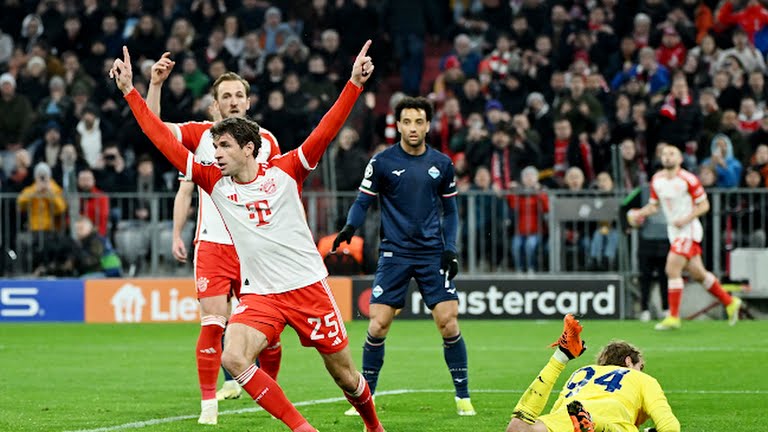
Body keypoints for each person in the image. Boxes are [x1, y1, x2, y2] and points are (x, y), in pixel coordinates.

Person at [111, 42, 384, 432]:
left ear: (249, 148)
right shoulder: (213, 181)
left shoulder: (288, 170)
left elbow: (326, 128)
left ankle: (374, 426)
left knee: (344, 375)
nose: (216, 154)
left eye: (224, 147)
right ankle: (302, 428)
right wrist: (129, 91)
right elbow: (160, 137)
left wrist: (354, 84)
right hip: (262, 295)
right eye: (215, 146)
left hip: (307, 287)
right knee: (234, 357)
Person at [146, 54, 283, 424]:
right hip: (213, 245)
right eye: (226, 96)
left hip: (255, 248)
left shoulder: (268, 142)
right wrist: (155, 85)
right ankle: (209, 405)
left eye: (239, 95)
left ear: (248, 102)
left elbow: (280, 192)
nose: (233, 101)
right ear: (216, 103)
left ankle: (268, 395)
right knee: (213, 323)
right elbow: (154, 126)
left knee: (270, 333)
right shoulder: (201, 136)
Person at [333, 96, 476, 417]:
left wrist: (450, 249)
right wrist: (350, 227)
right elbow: (362, 201)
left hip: (432, 254)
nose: (413, 128)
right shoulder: (382, 162)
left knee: (448, 322)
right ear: (398, 125)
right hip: (394, 253)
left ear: (428, 126)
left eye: (419, 122)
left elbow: (451, 212)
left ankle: (463, 397)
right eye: (407, 122)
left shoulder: (442, 164)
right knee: (378, 324)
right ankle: (366, 398)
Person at [629, 144, 743, 330]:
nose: (668, 157)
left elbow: (704, 205)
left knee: (671, 268)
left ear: (680, 159)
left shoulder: (688, 179)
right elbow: (654, 206)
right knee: (698, 274)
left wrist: (686, 218)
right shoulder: (657, 180)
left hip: (688, 230)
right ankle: (730, 302)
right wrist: (639, 213)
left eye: (672, 154)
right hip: (674, 232)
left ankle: (673, 317)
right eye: (665, 154)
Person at [505, 314, 681, 432]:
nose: (641, 371)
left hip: (568, 416)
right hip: (614, 419)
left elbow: (556, 412)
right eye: (640, 366)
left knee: (518, 429)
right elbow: (670, 426)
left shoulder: (582, 372)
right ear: (628, 361)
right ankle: (597, 425)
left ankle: (561, 356)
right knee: (617, 427)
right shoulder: (642, 379)